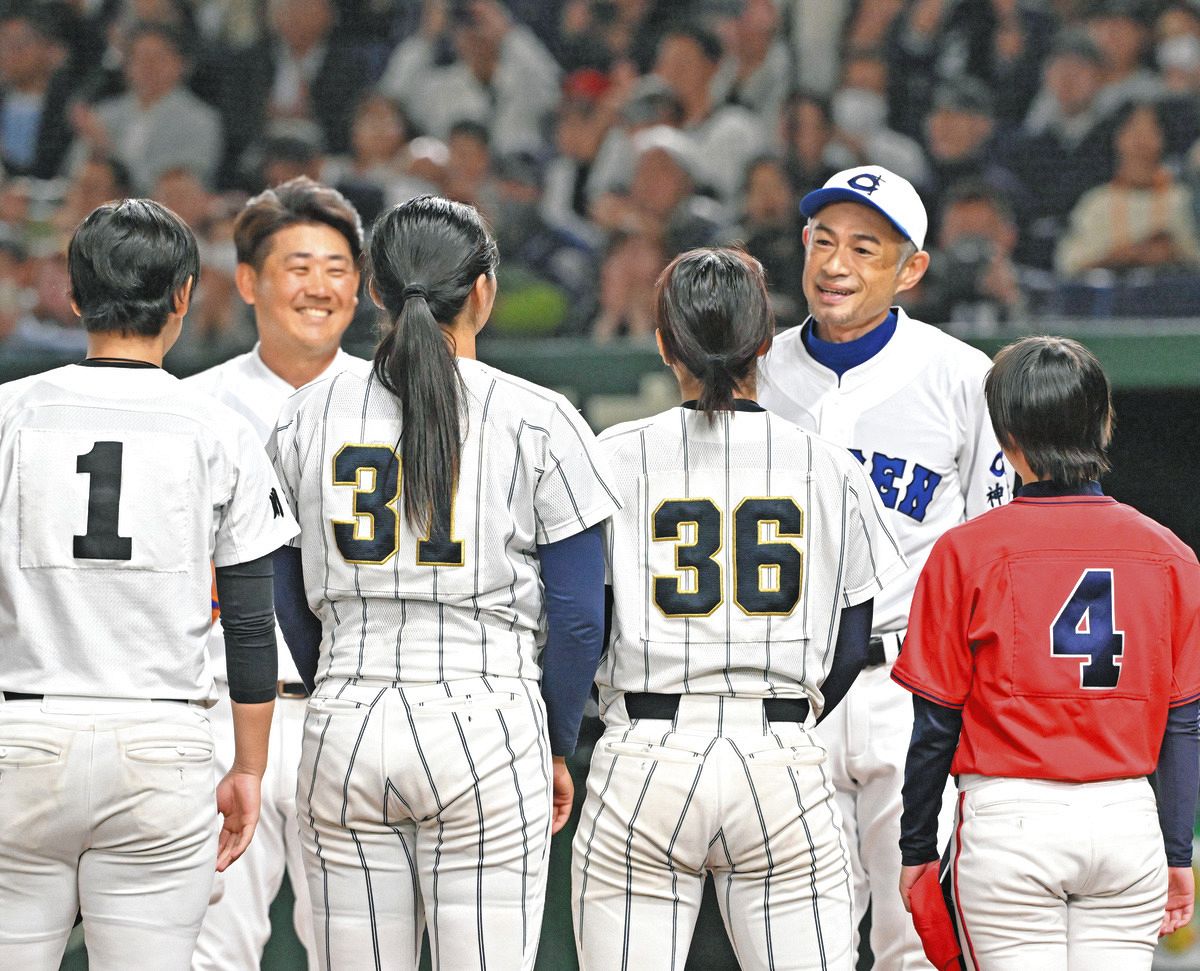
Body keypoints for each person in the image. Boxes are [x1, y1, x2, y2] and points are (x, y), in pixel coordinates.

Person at [268, 194, 620, 970]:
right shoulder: (539, 414)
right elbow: (579, 616)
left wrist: (335, 668)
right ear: (484, 292)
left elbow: (279, 586)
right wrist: (559, 741)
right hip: (487, 710)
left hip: (347, 709)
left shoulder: (305, 414)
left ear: (376, 292)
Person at [572, 247, 906, 971]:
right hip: (780, 750)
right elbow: (853, 643)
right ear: (765, 342)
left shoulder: (611, 454)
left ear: (665, 343)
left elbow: (581, 621)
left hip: (645, 750)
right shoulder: (827, 463)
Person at [0, 198, 298, 968]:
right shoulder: (218, 425)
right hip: (161, 744)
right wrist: (250, 768)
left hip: (23, 732)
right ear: (183, 295)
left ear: (73, 296)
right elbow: (249, 621)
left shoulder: (10, 414)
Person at [757, 164, 1013, 970]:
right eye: (823, 241)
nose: (835, 265)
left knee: (918, 934)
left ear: (910, 270)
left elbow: (993, 545)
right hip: (790, 685)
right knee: (799, 937)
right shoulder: (758, 369)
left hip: (911, 685)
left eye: (865, 249)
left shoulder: (962, 377)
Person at [895, 335, 1200, 969]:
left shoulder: (964, 551)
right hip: (1127, 820)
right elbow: (1185, 723)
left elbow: (935, 725)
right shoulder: (1170, 554)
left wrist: (916, 847)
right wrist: (1176, 853)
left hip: (1012, 821)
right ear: (1103, 424)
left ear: (1006, 435)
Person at [187, 176, 371, 971]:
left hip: (356, 710)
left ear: (360, 287)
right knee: (213, 952)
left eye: (336, 267)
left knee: (363, 952)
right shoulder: (197, 406)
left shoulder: (394, 399)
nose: (319, 286)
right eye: (297, 265)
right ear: (251, 281)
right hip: (225, 713)